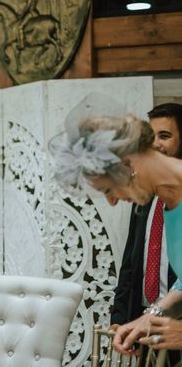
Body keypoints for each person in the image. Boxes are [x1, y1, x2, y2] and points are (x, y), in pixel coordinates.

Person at [48, 108, 182, 354]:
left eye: (108, 189)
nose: (112, 201)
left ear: (127, 164)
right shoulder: (172, 206)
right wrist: (150, 317)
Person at [111, 103, 182, 328]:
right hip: (145, 319)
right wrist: (123, 318)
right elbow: (130, 261)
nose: (156, 144)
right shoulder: (145, 194)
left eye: (165, 136)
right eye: (152, 136)